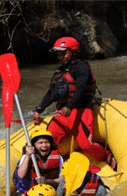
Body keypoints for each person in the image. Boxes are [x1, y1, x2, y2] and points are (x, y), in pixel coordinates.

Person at [31, 36, 117, 171]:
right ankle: (47, 170)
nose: (61, 56)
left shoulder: (81, 66)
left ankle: (106, 155)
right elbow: (50, 93)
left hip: (82, 110)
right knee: (46, 142)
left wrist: (69, 106)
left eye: (64, 53)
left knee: (86, 145)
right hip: (64, 115)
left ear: (73, 52)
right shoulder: (58, 71)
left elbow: (81, 88)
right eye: (59, 53)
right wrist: (38, 110)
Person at [13, 129, 63, 193]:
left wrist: (46, 181)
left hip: (47, 192)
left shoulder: (59, 158)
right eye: (40, 142)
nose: (44, 145)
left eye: (47, 142)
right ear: (33, 145)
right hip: (28, 191)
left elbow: (61, 180)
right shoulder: (26, 156)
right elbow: (20, 175)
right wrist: (28, 155)